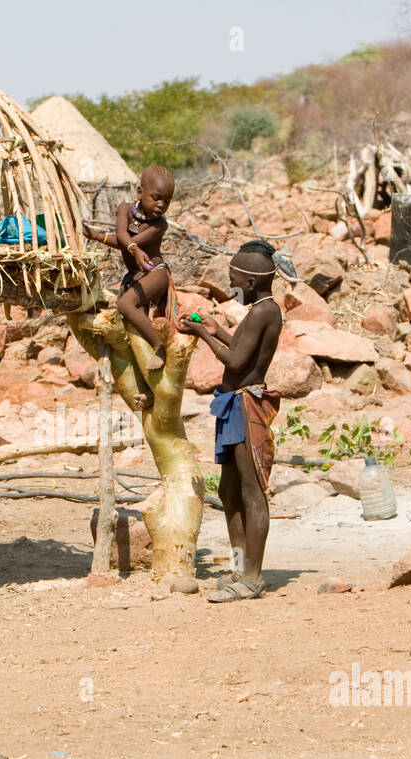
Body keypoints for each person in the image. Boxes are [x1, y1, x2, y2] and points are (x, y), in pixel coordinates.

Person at [177, 239, 284, 602]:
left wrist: (202, 333)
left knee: (252, 493)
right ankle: (239, 568)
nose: (231, 284)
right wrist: (213, 326)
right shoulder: (260, 309)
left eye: (233, 279)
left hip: (246, 407)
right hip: (232, 406)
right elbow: (239, 347)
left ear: (251, 283)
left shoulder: (264, 312)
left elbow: (236, 362)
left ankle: (251, 577)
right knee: (228, 491)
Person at [84, 166, 175, 374]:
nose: (161, 205)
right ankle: (146, 390)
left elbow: (129, 241)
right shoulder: (125, 208)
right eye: (156, 197)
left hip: (155, 273)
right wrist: (99, 237)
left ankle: (160, 347)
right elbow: (122, 235)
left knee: (125, 303)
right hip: (135, 277)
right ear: (140, 192)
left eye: (166, 201)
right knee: (134, 334)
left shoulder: (160, 225)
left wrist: (100, 236)